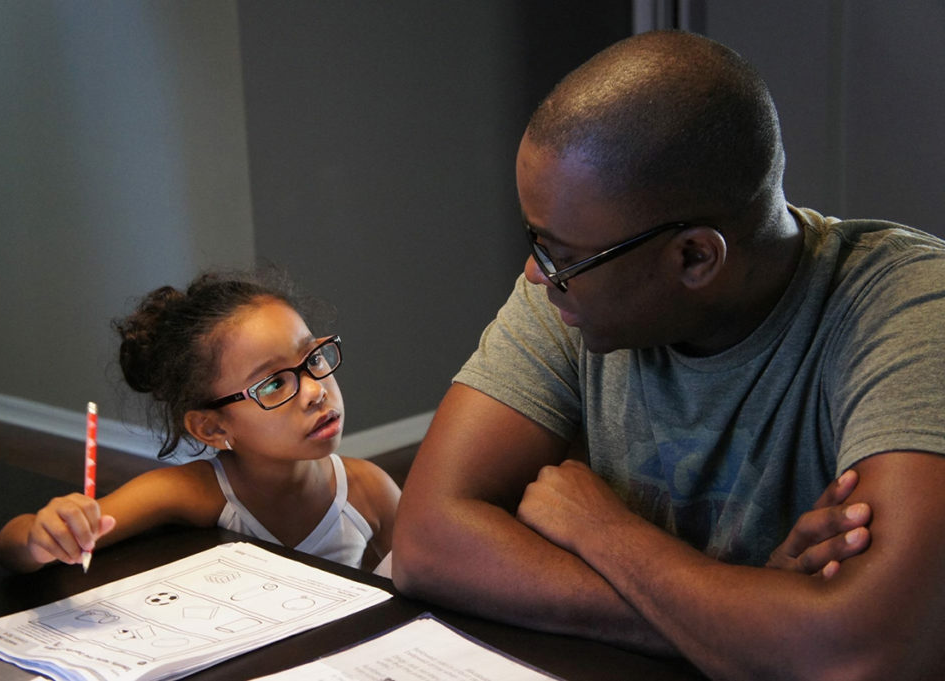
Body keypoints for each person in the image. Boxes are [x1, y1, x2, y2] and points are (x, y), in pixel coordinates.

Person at [393, 30, 945, 680]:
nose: (536, 275)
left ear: (694, 257)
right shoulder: (572, 290)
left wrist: (605, 532)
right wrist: (745, 620)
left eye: (561, 256)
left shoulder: (910, 306)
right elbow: (427, 541)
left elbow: (865, 653)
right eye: (536, 241)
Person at [0, 271, 400, 574]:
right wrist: (43, 537)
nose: (316, 390)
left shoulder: (369, 491)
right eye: (274, 383)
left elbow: (430, 576)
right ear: (212, 428)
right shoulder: (193, 492)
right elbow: (11, 545)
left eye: (313, 359)